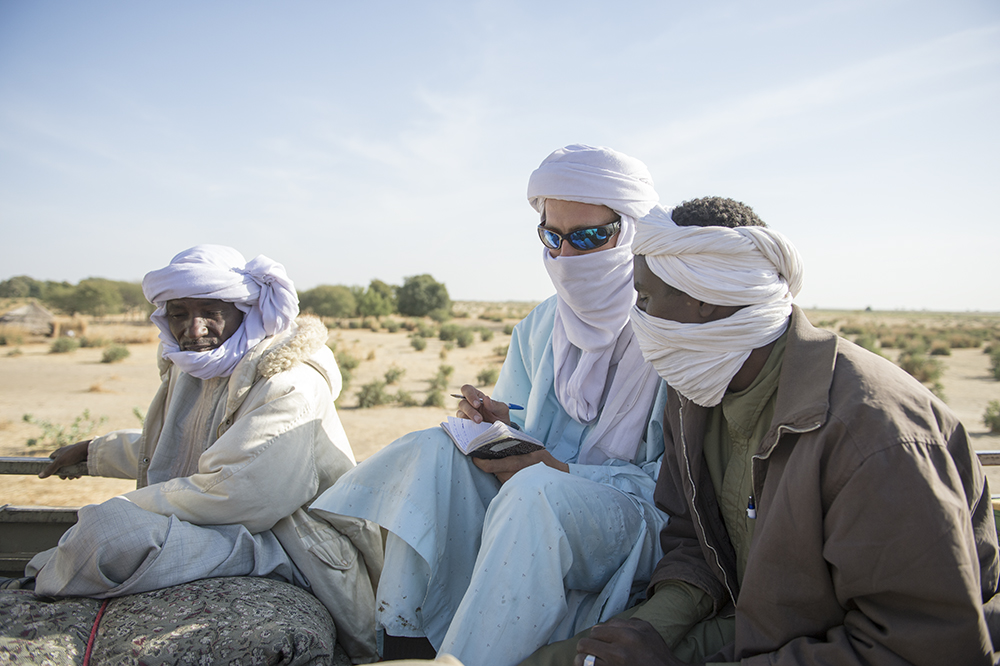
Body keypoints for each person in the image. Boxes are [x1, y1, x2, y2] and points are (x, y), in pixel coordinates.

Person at [524, 197, 1000, 666]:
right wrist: (648, 628)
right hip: (747, 622)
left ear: (703, 300)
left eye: (644, 299)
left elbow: (922, 648)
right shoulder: (696, 392)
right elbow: (692, 541)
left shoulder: (874, 438)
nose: (636, 317)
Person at [311, 144, 670, 666]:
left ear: (632, 233)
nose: (566, 257)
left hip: (634, 518)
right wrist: (504, 422)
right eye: (553, 236)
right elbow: (536, 421)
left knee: (536, 493)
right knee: (435, 450)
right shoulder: (543, 325)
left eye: (591, 237)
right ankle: (403, 642)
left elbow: (678, 486)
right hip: (540, 485)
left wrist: (559, 468)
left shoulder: (673, 335)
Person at [27, 245, 384, 663]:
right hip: (228, 524)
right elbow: (178, 446)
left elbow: (241, 492)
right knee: (108, 530)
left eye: (210, 312)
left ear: (245, 310)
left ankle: (43, 576)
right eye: (179, 313)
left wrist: (129, 508)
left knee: (110, 529)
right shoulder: (196, 366)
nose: (194, 329)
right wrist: (94, 451)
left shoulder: (288, 382)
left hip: (288, 543)